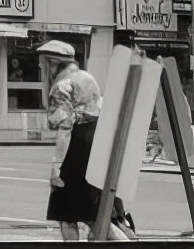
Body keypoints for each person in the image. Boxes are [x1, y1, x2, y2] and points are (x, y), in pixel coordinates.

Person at [39, 39, 133, 242]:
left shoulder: (61, 86)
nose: (40, 66)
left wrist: (57, 166)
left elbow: (65, 128)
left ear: (53, 63)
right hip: (95, 141)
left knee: (66, 213)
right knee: (92, 213)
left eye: (42, 62)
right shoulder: (87, 77)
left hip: (77, 145)